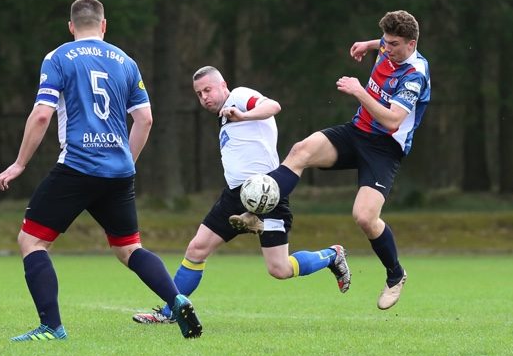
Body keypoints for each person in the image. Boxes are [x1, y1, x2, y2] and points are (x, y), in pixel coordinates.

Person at [0, 0, 202, 340]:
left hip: (77, 166)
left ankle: (52, 327)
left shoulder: (58, 57)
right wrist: (125, 163)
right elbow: (145, 120)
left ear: (71, 26)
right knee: (129, 248)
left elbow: (43, 113)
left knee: (31, 242)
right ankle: (176, 298)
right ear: (104, 25)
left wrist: (19, 164)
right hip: (118, 173)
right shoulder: (126, 62)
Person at [232, 10, 430, 310]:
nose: (386, 48)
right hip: (356, 133)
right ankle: (259, 212)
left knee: (365, 217)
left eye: (393, 44)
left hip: (385, 149)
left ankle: (395, 274)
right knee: (301, 151)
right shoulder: (390, 45)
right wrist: (367, 44)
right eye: (385, 42)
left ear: (411, 44)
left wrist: (359, 91)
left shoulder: (414, 76)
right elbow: (382, 41)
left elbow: (391, 121)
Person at [132, 66, 351, 324]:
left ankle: (332, 255)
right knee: (196, 248)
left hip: (266, 193)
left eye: (208, 90)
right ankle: (171, 312)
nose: (204, 97)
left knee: (279, 269)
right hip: (234, 196)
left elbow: (273, 106)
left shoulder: (239, 97)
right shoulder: (224, 117)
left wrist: (244, 115)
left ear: (223, 85)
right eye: (199, 94)